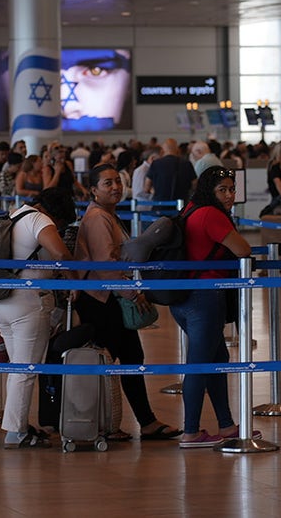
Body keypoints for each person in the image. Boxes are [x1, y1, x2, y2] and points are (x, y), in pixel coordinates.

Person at [74, 164, 180, 441]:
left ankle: (141, 422)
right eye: (107, 183)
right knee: (119, 358)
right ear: (93, 190)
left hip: (107, 296)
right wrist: (133, 293)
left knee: (129, 357)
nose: (115, 187)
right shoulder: (98, 218)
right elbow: (106, 265)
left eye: (117, 182)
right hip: (102, 299)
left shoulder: (107, 214)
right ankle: (117, 424)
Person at [172, 167, 254, 448]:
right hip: (204, 298)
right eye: (223, 189)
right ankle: (191, 432)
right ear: (211, 190)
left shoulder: (192, 208)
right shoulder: (211, 214)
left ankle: (227, 425)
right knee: (200, 364)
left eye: (232, 189)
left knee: (217, 359)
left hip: (183, 297)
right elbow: (243, 250)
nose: (229, 195)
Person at [0, 187, 76, 449]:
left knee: (17, 367)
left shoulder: (15, 215)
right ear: (58, 215)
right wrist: (74, 283)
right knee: (25, 369)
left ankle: (19, 425)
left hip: (1, 300)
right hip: (28, 303)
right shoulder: (40, 219)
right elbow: (60, 254)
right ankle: (15, 432)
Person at [144, 138, 196, 203]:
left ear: (162, 151)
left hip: (160, 206)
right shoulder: (187, 164)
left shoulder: (155, 164)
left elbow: (146, 188)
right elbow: (195, 185)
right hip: (182, 206)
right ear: (177, 150)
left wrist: (155, 191)